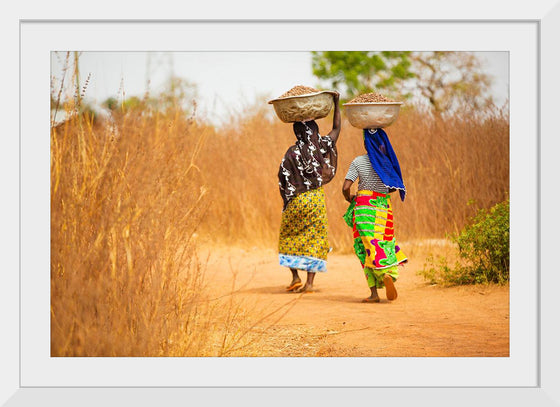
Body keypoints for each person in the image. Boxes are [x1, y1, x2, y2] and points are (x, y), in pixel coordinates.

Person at [278, 92, 341, 293]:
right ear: (315, 130)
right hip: (314, 199)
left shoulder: (291, 152)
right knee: (314, 238)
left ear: (296, 131)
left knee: (289, 236)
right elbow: (337, 127)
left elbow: (282, 176)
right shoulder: (322, 146)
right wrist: (336, 102)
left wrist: (287, 200)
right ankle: (310, 283)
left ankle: (295, 276)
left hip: (296, 200)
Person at [342, 128, 408, 302]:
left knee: (365, 247)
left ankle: (374, 293)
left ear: (365, 144)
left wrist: (350, 199)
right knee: (384, 243)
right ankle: (389, 274)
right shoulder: (386, 163)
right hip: (383, 207)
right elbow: (394, 186)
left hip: (364, 208)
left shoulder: (358, 162)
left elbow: (345, 187)